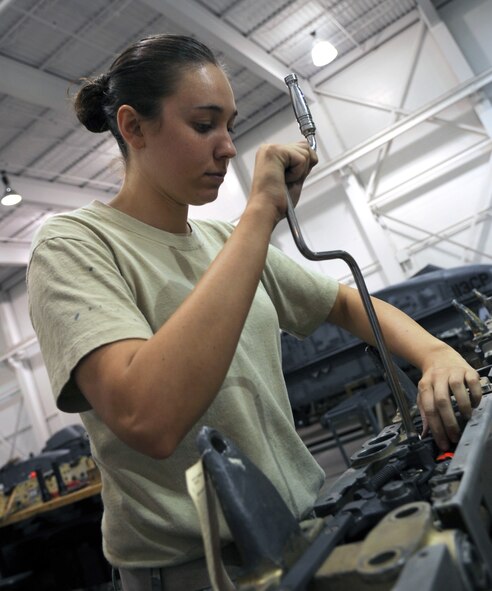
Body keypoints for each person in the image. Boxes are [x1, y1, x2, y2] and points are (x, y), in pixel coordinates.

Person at [27, 34, 482, 591]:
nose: (227, 148)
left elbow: (341, 301)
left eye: (230, 127)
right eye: (203, 125)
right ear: (133, 127)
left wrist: (435, 354)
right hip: (200, 571)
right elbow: (146, 416)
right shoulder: (76, 245)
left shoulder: (227, 241)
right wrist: (260, 214)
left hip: (306, 526)